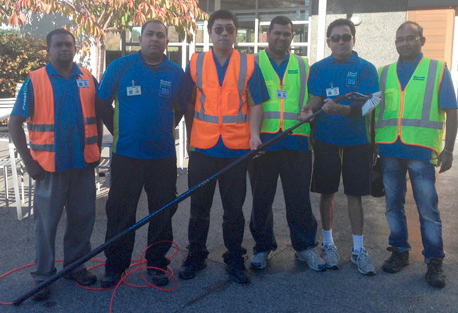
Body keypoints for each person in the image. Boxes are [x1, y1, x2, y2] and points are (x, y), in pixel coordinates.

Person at [9, 29, 101, 301]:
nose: (64, 49)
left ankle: (75, 267)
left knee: (82, 220)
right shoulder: (34, 80)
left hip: (83, 166)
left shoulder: (87, 78)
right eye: (58, 45)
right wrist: (29, 163)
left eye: (69, 44)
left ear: (75, 48)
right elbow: (15, 123)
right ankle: (43, 277)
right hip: (48, 168)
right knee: (46, 226)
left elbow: (101, 111)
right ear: (48, 49)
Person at [179, 9, 268, 284]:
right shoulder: (195, 62)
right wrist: (192, 136)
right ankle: (196, 256)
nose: (224, 34)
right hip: (203, 149)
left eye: (229, 29)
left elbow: (256, 103)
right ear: (209, 33)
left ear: (236, 33)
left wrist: (254, 136)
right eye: (218, 29)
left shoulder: (249, 63)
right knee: (198, 209)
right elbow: (189, 103)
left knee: (233, 210)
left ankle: (234, 257)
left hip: (237, 149)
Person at [96, 20, 186, 288]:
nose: (155, 39)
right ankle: (115, 265)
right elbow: (101, 102)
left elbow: (180, 109)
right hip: (127, 154)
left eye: (161, 35)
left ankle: (157, 263)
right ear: (141, 38)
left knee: (163, 211)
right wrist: (119, 129)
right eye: (150, 34)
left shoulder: (176, 72)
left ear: (166, 42)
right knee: (120, 212)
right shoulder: (120, 67)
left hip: (163, 156)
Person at [376, 21, 458, 288]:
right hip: (389, 149)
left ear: (422, 41)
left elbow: (451, 111)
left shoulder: (437, 69)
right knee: (392, 206)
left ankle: (434, 262)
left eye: (410, 38)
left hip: (422, 151)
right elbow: (373, 109)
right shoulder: (384, 72)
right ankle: (400, 251)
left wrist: (449, 150)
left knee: (427, 209)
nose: (404, 43)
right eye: (400, 39)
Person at [301, 18, 379, 275]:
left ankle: (358, 250)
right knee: (327, 193)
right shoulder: (319, 68)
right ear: (328, 42)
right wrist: (309, 108)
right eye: (336, 38)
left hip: (357, 143)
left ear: (354, 40)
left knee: (355, 196)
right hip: (325, 140)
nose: (341, 42)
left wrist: (340, 109)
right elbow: (317, 96)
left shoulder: (367, 69)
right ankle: (328, 244)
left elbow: (365, 106)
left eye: (346, 37)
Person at [248, 16, 325, 272]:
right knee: (261, 199)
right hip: (263, 144)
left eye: (287, 34)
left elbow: (316, 94)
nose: (282, 38)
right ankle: (262, 247)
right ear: (267, 35)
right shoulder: (253, 63)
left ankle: (304, 247)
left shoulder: (303, 65)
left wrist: (310, 108)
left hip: (297, 142)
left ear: (293, 37)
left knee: (299, 199)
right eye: (277, 33)